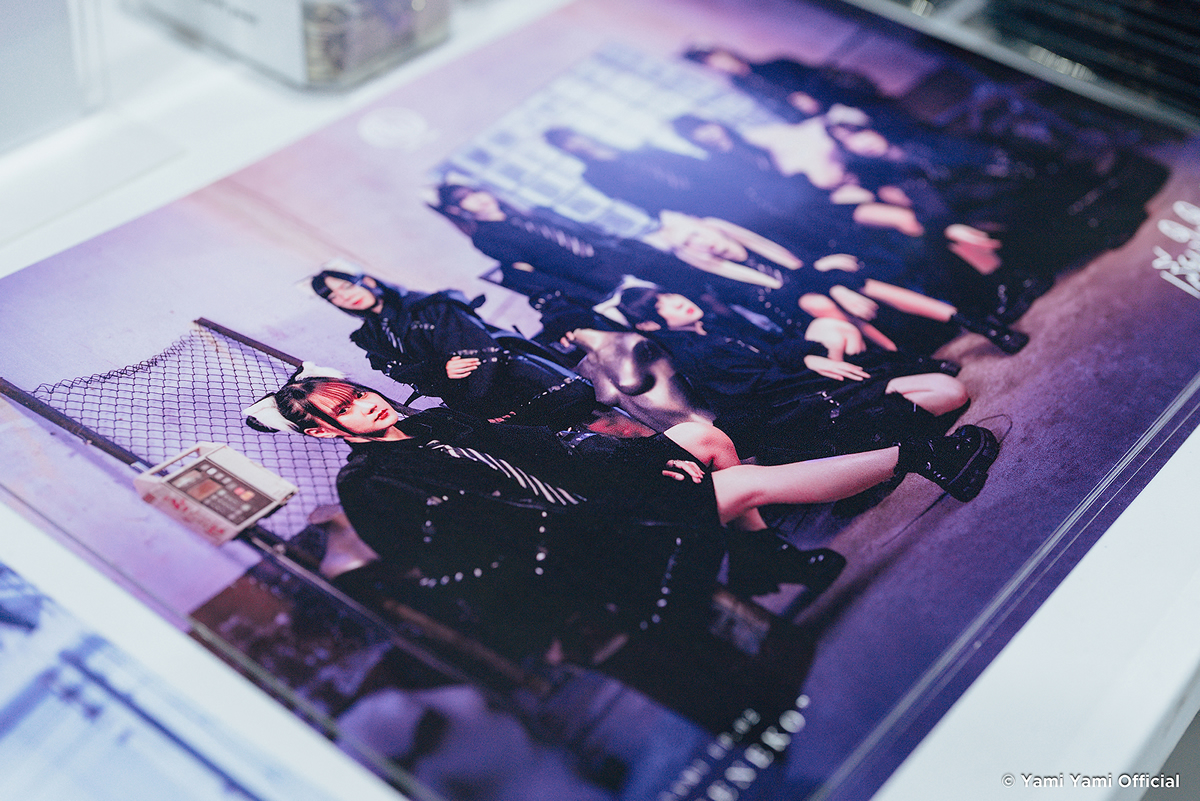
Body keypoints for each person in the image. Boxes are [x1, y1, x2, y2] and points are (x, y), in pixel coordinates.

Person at [245, 370, 999, 649]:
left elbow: (553, 450)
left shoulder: (440, 421)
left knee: (700, 438)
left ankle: (766, 556)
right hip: (573, 543)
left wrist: (649, 458)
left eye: (356, 392)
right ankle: (923, 459)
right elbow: (431, 555)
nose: (364, 404)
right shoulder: (371, 482)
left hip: (597, 499)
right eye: (344, 407)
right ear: (324, 430)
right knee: (741, 485)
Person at [609, 286, 971, 463]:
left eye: (669, 296)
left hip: (800, 383)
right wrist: (813, 369)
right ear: (651, 324)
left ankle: (888, 420)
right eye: (662, 307)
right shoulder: (693, 353)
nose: (677, 302)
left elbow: (773, 350)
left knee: (830, 328)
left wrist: (809, 358)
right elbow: (764, 390)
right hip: (793, 406)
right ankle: (873, 435)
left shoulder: (713, 325)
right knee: (949, 392)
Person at [312, 268, 595, 428]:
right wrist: (438, 368)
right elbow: (395, 370)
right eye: (334, 297)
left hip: (518, 380)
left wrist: (476, 403)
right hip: (477, 401)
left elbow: (479, 351)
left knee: (598, 421)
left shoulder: (430, 304)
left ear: (367, 282)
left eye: (346, 287)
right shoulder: (369, 337)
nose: (345, 297)